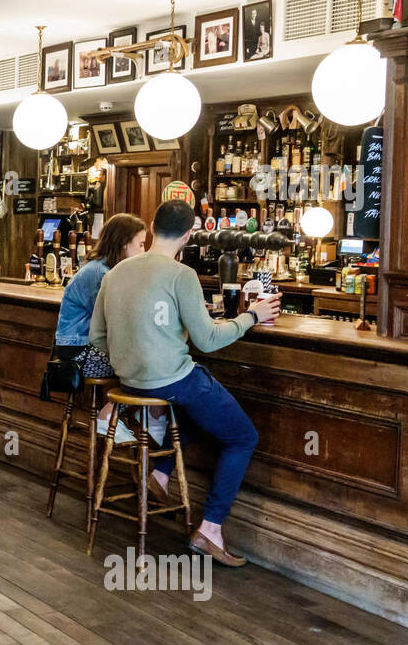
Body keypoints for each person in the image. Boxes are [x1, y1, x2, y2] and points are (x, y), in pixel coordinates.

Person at [89, 199, 281, 566]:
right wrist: (252, 316)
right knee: (243, 437)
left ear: (151, 225)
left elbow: (98, 336)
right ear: (190, 235)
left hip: (131, 384)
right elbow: (208, 340)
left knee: (194, 409)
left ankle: (159, 477)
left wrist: (134, 353)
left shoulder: (114, 274)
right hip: (171, 380)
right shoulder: (182, 275)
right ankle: (210, 529)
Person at [53, 212, 148, 442]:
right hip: (77, 355)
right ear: (124, 243)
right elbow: (113, 318)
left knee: (145, 363)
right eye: (141, 244)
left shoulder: (104, 269)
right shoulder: (101, 273)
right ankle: (110, 416)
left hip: (79, 350)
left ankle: (145, 416)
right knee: (145, 366)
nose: (144, 251)